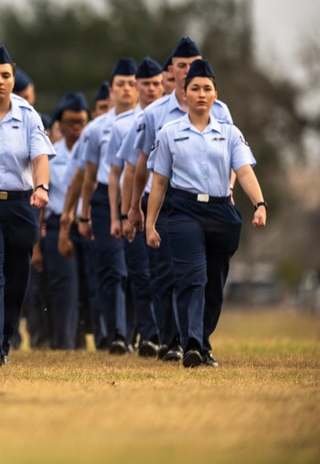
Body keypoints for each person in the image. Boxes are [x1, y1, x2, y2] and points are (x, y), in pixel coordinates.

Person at [145, 59, 267, 367]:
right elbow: (159, 182)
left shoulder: (229, 133)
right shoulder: (170, 133)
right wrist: (150, 224)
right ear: (184, 94)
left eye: (207, 89)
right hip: (183, 211)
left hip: (220, 212)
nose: (201, 94)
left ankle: (202, 341)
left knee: (213, 285)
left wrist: (259, 204)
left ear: (215, 95)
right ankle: (193, 346)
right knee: (193, 279)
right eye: (195, 88)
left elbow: (244, 171)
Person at [127, 36, 233, 362]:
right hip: (167, 200)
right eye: (183, 66)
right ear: (170, 70)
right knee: (167, 276)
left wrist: (228, 191)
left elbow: (233, 155)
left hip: (211, 204)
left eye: (194, 65)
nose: (188, 71)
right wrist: (134, 208)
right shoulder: (155, 113)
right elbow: (141, 166)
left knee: (208, 279)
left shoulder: (221, 111)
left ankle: (199, 339)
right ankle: (174, 339)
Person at [0, 46, 53, 365]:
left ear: (13, 79)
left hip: (21, 205)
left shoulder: (28, 115)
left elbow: (40, 157)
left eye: (6, 75)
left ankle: (3, 341)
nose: (0, 81)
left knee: (16, 281)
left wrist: (41, 187)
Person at [77, 58, 139, 354]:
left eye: (131, 83)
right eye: (120, 84)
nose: (126, 89)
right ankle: (115, 332)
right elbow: (88, 177)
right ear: (111, 90)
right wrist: (84, 214)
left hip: (138, 198)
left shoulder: (147, 121)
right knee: (111, 268)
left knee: (136, 269)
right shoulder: (96, 129)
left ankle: (137, 330)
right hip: (104, 200)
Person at [107, 56, 164, 356]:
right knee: (140, 274)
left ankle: (169, 334)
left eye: (157, 83)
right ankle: (150, 334)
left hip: (170, 203)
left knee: (166, 273)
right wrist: (123, 214)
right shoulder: (126, 125)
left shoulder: (173, 117)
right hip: (138, 206)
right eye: (147, 84)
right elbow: (121, 173)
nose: (152, 89)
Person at [38, 92, 89, 349]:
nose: (76, 128)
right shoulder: (51, 154)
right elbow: (41, 196)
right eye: (71, 123)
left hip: (88, 224)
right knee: (64, 287)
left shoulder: (93, 152)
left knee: (91, 284)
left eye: (81, 122)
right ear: (59, 124)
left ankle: (89, 338)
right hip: (58, 224)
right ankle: (64, 342)